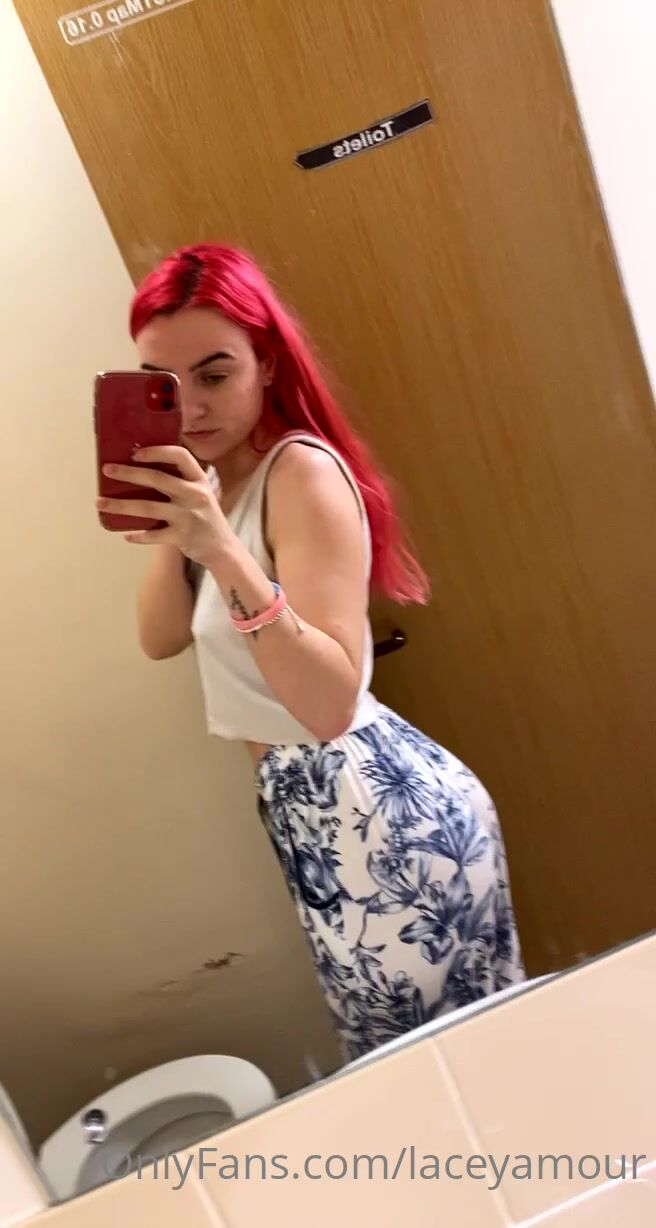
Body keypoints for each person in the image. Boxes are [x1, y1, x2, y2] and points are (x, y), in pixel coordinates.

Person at [97, 243, 525, 1061]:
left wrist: (223, 551)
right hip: (315, 817)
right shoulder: (214, 485)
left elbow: (328, 707)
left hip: (375, 813)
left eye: (214, 373)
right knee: (429, 1067)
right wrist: (174, 525)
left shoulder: (300, 475)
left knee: (449, 1069)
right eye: (164, 385)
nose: (191, 406)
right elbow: (159, 640)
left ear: (265, 362)